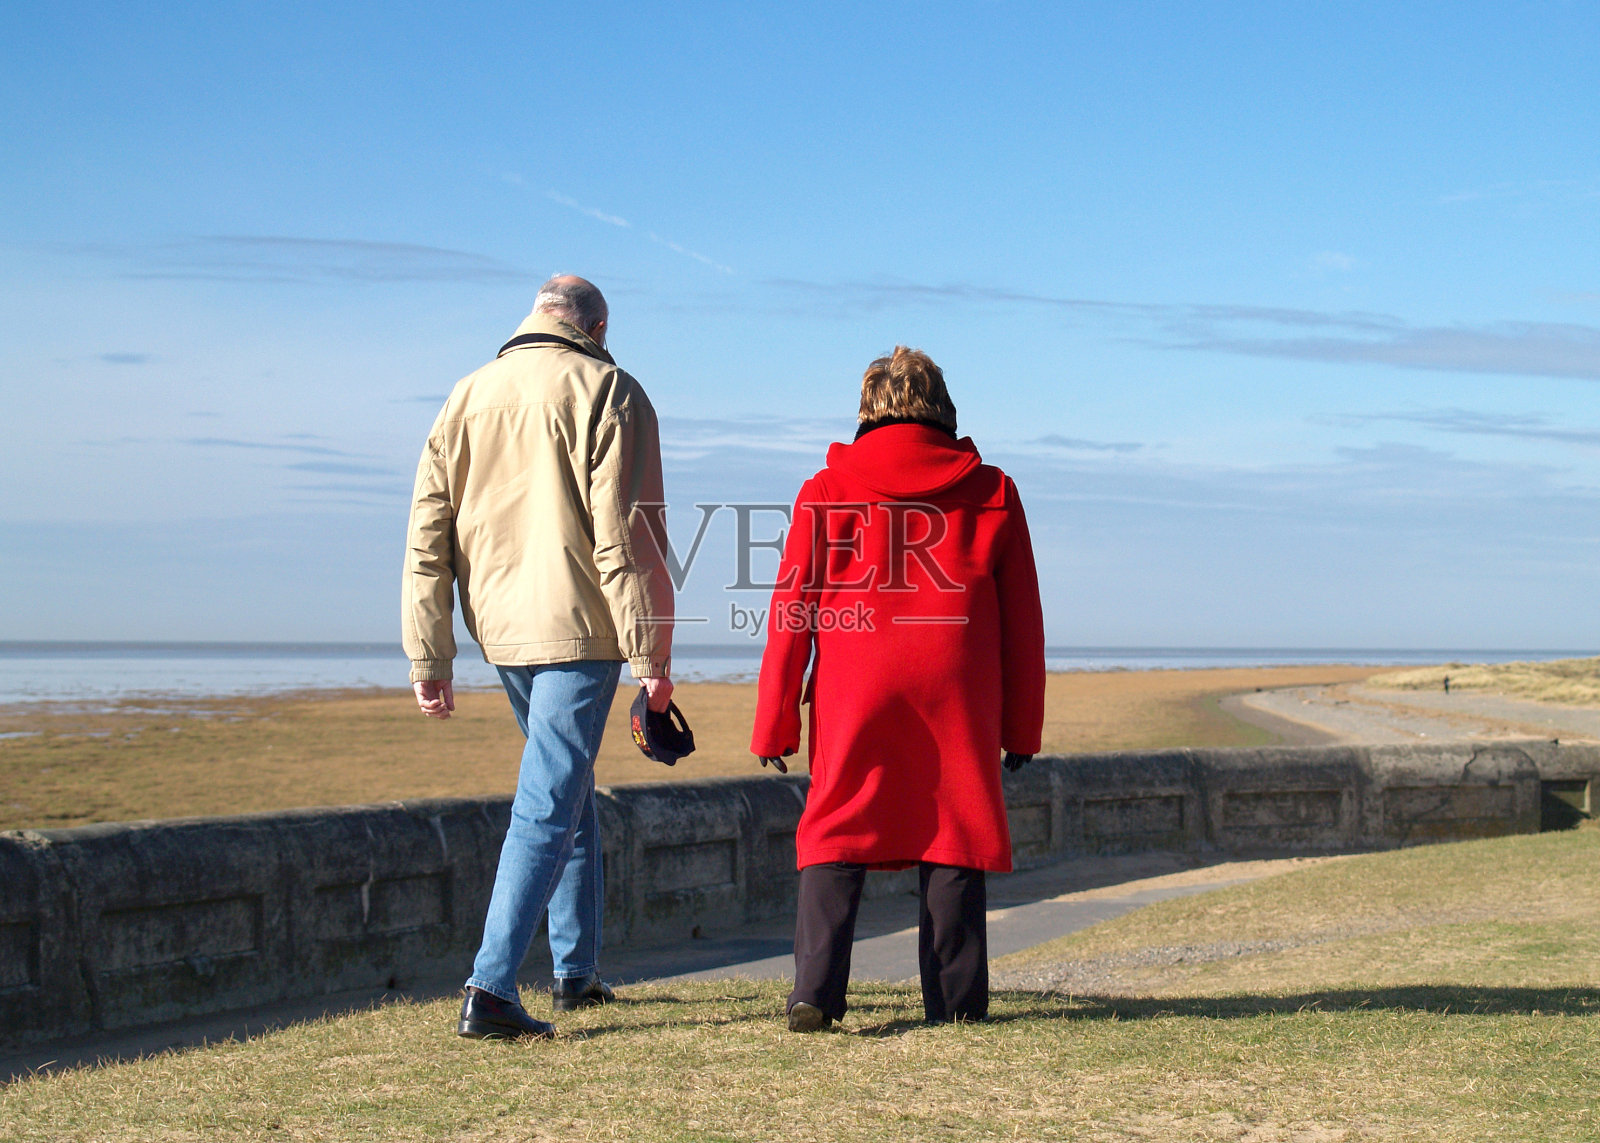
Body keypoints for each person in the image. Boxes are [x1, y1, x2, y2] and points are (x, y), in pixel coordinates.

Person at [403, 275, 675, 1040]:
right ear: (598, 324)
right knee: (549, 801)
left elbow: (428, 534)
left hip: (502, 630)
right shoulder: (607, 387)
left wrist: (430, 651)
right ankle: (490, 988)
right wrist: (651, 653)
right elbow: (626, 535)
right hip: (581, 626)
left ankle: (575, 970)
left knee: (567, 785)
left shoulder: (465, 395)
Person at [750, 346, 1046, 1031]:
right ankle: (958, 1001)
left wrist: (775, 721)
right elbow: (1023, 622)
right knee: (954, 825)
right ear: (943, 410)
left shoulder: (826, 490)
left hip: (856, 686)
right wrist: (1021, 728)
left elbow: (792, 610)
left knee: (835, 822)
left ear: (866, 411)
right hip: (957, 689)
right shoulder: (993, 490)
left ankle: (814, 993)